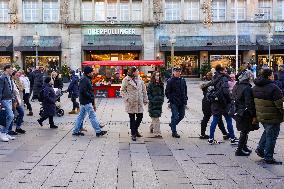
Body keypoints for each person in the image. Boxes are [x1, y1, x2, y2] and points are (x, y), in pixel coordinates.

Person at [253, 69, 283, 164]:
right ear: (269, 76)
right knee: (272, 136)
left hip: (261, 115)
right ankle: (268, 157)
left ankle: (260, 149)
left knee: (267, 132)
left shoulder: (256, 86)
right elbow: (280, 104)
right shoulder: (273, 88)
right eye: (272, 75)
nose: (273, 76)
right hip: (273, 116)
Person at [72, 66, 107, 137]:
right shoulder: (84, 79)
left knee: (81, 116)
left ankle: (76, 131)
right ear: (88, 73)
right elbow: (83, 91)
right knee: (92, 115)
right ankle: (98, 131)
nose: (93, 73)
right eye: (91, 72)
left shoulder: (86, 78)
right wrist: (90, 97)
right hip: (86, 101)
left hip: (84, 101)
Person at [208, 65, 238, 145]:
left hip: (216, 102)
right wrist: (230, 100)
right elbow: (225, 92)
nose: (226, 72)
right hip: (224, 103)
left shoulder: (214, 77)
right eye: (225, 70)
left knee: (214, 121)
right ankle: (232, 138)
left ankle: (211, 138)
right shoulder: (224, 78)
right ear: (221, 71)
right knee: (228, 120)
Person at [121, 66, 148, 141]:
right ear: (133, 72)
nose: (138, 72)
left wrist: (145, 99)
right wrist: (127, 98)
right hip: (131, 102)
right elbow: (122, 90)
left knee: (140, 116)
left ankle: (135, 130)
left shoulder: (140, 78)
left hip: (139, 101)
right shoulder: (126, 79)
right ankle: (133, 134)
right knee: (132, 118)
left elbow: (144, 90)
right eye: (137, 71)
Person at [232, 71, 257, 156]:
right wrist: (253, 114)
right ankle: (239, 150)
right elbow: (249, 103)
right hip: (244, 112)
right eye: (250, 77)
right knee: (244, 131)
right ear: (247, 78)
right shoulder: (247, 88)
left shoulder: (237, 85)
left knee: (245, 130)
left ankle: (244, 147)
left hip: (238, 111)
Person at [200, 72, 229, 140]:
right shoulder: (215, 84)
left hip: (205, 102)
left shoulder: (206, 84)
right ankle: (225, 133)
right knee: (218, 119)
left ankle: (203, 134)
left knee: (206, 118)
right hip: (212, 102)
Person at [165, 67, 188, 138]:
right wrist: (171, 98)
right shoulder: (170, 81)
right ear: (173, 72)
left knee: (182, 115)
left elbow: (185, 90)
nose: (178, 73)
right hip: (174, 101)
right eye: (176, 71)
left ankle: (172, 124)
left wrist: (185, 98)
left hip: (182, 101)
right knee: (175, 116)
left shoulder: (183, 80)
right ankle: (174, 132)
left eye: (179, 71)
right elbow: (167, 92)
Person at [0, 65, 15, 142]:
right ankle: (3, 133)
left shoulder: (10, 77)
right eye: (11, 69)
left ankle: (5, 132)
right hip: (4, 100)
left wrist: (13, 98)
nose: (12, 70)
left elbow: (11, 89)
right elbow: (0, 89)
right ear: (7, 69)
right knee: (10, 115)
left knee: (9, 117)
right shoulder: (2, 78)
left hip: (9, 99)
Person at [147, 71, 164, 138]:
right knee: (156, 118)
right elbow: (148, 93)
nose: (158, 77)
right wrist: (152, 99)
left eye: (159, 75)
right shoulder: (151, 84)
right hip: (153, 104)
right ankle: (157, 132)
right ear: (154, 76)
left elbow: (163, 93)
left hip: (159, 104)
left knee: (155, 118)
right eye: (156, 75)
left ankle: (151, 127)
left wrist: (162, 99)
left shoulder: (161, 84)